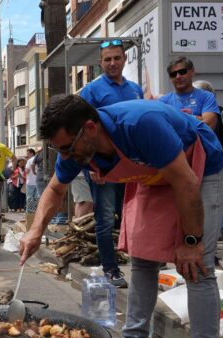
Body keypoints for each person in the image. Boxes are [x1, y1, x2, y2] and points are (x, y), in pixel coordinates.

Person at [21, 95, 223, 338]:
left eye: (66, 148)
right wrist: (35, 232)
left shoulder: (141, 125)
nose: (66, 156)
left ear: (90, 128)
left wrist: (190, 241)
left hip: (197, 167)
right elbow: (55, 189)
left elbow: (185, 182)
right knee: (143, 257)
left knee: (196, 266)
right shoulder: (76, 145)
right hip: (153, 173)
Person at [79, 39, 144, 288]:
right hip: (103, 168)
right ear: (100, 63)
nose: (112, 63)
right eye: (107, 59)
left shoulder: (135, 89)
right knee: (105, 219)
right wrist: (91, 168)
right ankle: (111, 269)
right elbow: (82, 133)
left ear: (124, 59)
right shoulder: (91, 92)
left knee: (132, 215)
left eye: (117, 58)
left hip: (130, 167)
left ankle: (142, 264)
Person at [193, 79, 223, 242]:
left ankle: (221, 229)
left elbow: (209, 132)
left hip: (212, 157)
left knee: (214, 195)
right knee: (221, 194)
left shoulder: (212, 114)